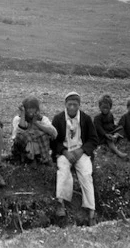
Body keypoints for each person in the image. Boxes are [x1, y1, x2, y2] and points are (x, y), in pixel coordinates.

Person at [51, 91, 99, 226]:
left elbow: (93, 139)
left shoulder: (86, 119)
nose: (72, 107)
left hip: (80, 152)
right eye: (69, 104)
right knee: (63, 170)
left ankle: (91, 211)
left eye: (75, 104)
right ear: (65, 104)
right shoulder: (58, 119)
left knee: (86, 174)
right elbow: (53, 141)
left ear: (79, 105)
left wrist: (81, 150)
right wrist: (64, 152)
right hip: (65, 152)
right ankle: (60, 203)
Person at [11, 96, 57, 165]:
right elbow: (20, 131)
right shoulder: (18, 119)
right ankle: (30, 159)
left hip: (39, 146)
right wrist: (23, 113)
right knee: (27, 136)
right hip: (21, 145)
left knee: (43, 135)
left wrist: (36, 123)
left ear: (36, 109)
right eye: (28, 108)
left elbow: (53, 132)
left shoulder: (42, 119)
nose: (30, 110)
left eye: (32, 108)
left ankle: (43, 158)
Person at [93, 94, 127, 159]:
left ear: (110, 107)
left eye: (107, 108)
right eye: (103, 108)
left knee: (121, 128)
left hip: (110, 131)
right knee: (109, 140)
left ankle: (115, 136)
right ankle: (118, 152)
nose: (105, 109)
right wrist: (106, 134)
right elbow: (98, 128)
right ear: (99, 107)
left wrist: (115, 130)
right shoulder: (97, 118)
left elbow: (112, 124)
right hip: (101, 135)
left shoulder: (110, 115)